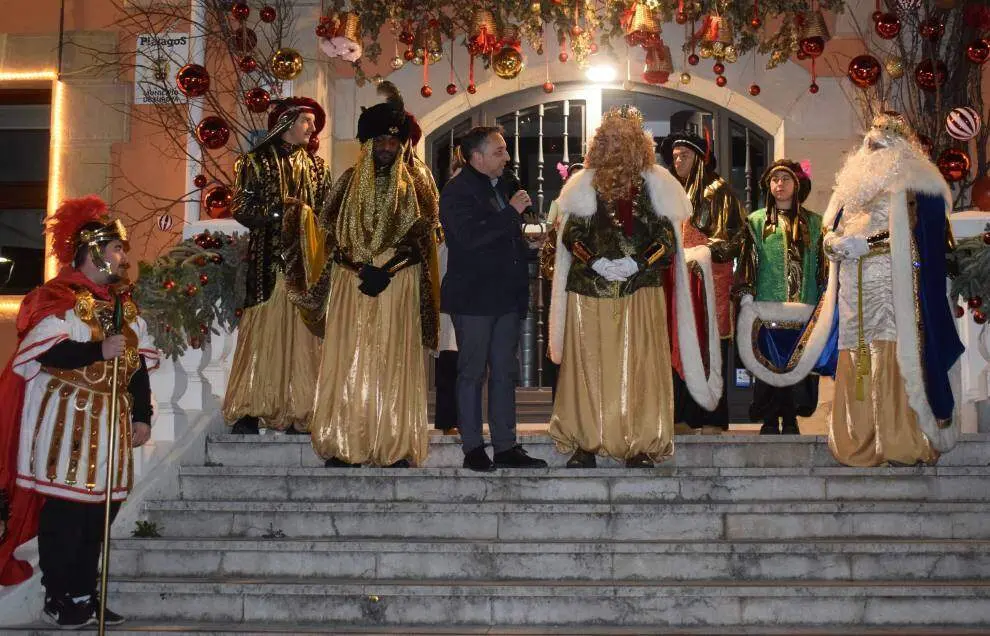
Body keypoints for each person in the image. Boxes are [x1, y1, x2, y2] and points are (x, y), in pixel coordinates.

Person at [0, 196, 157, 628]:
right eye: (117, 249)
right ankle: (60, 595)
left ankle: (86, 594)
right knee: (67, 513)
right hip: (66, 426)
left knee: (98, 514)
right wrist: (96, 349)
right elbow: (44, 352)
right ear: (92, 252)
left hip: (110, 426)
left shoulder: (122, 307)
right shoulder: (57, 298)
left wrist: (142, 414)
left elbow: (137, 365)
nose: (124, 257)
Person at [547, 106, 722, 467]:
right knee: (588, 368)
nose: (615, 147)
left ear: (637, 144)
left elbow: (665, 237)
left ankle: (639, 443)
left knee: (639, 368)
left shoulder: (657, 183)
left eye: (622, 140)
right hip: (588, 292)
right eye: (607, 140)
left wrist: (636, 263)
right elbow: (571, 233)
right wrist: (594, 260)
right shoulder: (583, 184)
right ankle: (584, 442)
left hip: (640, 291)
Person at [286, 83, 440, 468]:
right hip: (351, 283)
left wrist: (388, 271)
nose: (388, 147)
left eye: (394, 141)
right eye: (380, 141)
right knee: (349, 360)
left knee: (394, 361)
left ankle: (396, 444)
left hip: (398, 285)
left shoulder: (420, 182)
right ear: (367, 144)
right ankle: (343, 442)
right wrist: (361, 269)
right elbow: (329, 236)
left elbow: (426, 238)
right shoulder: (347, 181)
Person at [819, 111, 963, 466]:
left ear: (900, 146)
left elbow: (921, 238)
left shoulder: (917, 183)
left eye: (882, 144)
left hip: (896, 291)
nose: (873, 149)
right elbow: (830, 228)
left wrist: (870, 244)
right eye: (870, 142)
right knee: (858, 357)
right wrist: (832, 244)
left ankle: (900, 441)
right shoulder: (849, 187)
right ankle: (860, 439)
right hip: (854, 293)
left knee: (897, 356)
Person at [439, 125, 548, 472]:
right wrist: (510, 214)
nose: (507, 157)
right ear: (477, 157)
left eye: (505, 150)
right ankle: (473, 448)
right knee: (472, 372)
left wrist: (527, 245)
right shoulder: (457, 191)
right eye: (499, 151)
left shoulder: (504, 186)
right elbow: (470, 238)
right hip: (473, 297)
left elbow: (503, 236)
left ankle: (506, 446)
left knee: (504, 372)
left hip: (506, 295)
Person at [223, 97, 331, 435]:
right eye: (306, 122)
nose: (312, 129)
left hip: (305, 266)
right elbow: (240, 206)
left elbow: (328, 212)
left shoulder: (317, 167)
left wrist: (309, 220)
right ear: (286, 122)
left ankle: (302, 410)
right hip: (269, 263)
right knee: (262, 334)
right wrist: (278, 214)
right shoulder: (254, 163)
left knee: (303, 336)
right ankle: (251, 409)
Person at [660, 131, 747, 434]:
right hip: (679, 282)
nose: (678, 160)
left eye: (683, 155)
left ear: (698, 157)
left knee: (708, 345)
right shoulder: (671, 192)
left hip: (709, 284)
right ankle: (682, 417)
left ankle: (711, 418)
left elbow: (735, 237)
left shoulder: (718, 191)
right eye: (674, 156)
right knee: (680, 343)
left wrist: (705, 252)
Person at [734, 160, 828, 435]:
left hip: (804, 306)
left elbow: (822, 264)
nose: (780, 185)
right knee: (768, 362)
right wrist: (747, 293)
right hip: (767, 306)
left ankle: (791, 418)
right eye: (775, 180)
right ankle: (768, 418)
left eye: (785, 179)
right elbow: (748, 260)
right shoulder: (756, 221)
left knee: (797, 363)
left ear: (797, 185)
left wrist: (825, 296)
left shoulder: (814, 223)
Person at [434, 146, 466, 436]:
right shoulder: (440, 207)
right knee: (448, 355)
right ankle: (447, 419)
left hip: (471, 286)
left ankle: (464, 417)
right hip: (446, 284)